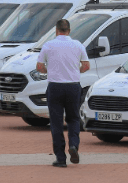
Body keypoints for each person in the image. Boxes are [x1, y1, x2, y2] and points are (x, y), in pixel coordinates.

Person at [36, 19, 90, 167]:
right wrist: (75, 71)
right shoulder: (78, 45)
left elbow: (39, 67)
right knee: (73, 118)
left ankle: (60, 158)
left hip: (55, 86)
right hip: (73, 86)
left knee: (56, 122)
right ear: (69, 30)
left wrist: (50, 70)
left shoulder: (48, 45)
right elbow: (86, 66)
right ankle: (73, 145)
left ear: (56, 30)